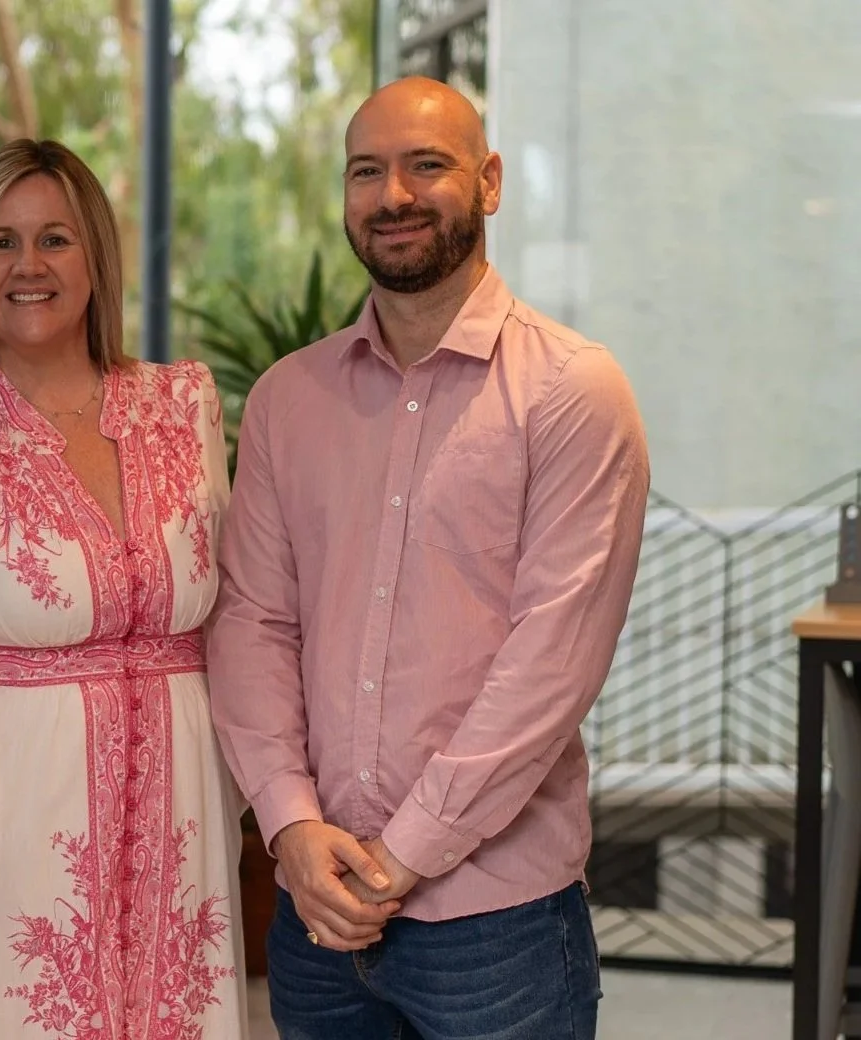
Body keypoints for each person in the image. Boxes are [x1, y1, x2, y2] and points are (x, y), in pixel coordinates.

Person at [206, 76, 650, 1040]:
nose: (393, 195)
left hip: (499, 928)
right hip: (316, 918)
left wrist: (405, 853)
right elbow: (252, 621)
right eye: (368, 171)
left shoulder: (573, 391)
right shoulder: (289, 400)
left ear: (489, 182)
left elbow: (550, 665)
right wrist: (287, 827)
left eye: (427, 165)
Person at [0, 138, 248, 1040]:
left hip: (182, 857)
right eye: (0, 242)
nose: (29, 265)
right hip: (11, 860)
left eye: (55, 238)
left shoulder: (185, 406)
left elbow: (240, 625)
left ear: (96, 256)